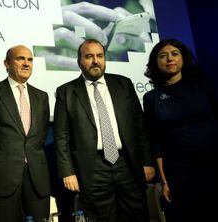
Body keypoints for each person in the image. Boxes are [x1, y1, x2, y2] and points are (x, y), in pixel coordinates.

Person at [143, 38, 218, 222]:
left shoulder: (202, 85)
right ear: (155, 63)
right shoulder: (151, 98)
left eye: (174, 54)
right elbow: (157, 142)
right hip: (182, 174)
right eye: (163, 56)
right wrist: (164, 181)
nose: (169, 59)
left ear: (183, 59)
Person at [54, 39, 155, 222]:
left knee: (137, 214)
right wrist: (67, 172)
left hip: (127, 163)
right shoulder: (66, 92)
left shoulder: (123, 84)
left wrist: (147, 161)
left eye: (100, 56)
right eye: (89, 56)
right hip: (92, 168)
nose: (95, 61)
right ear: (79, 62)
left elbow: (140, 126)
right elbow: (61, 137)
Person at [0, 45, 51, 222]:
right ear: (6, 64)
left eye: (30, 60)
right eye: (20, 59)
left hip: (36, 178)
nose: (26, 64)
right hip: (1, 178)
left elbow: (40, 136)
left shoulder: (42, 96)